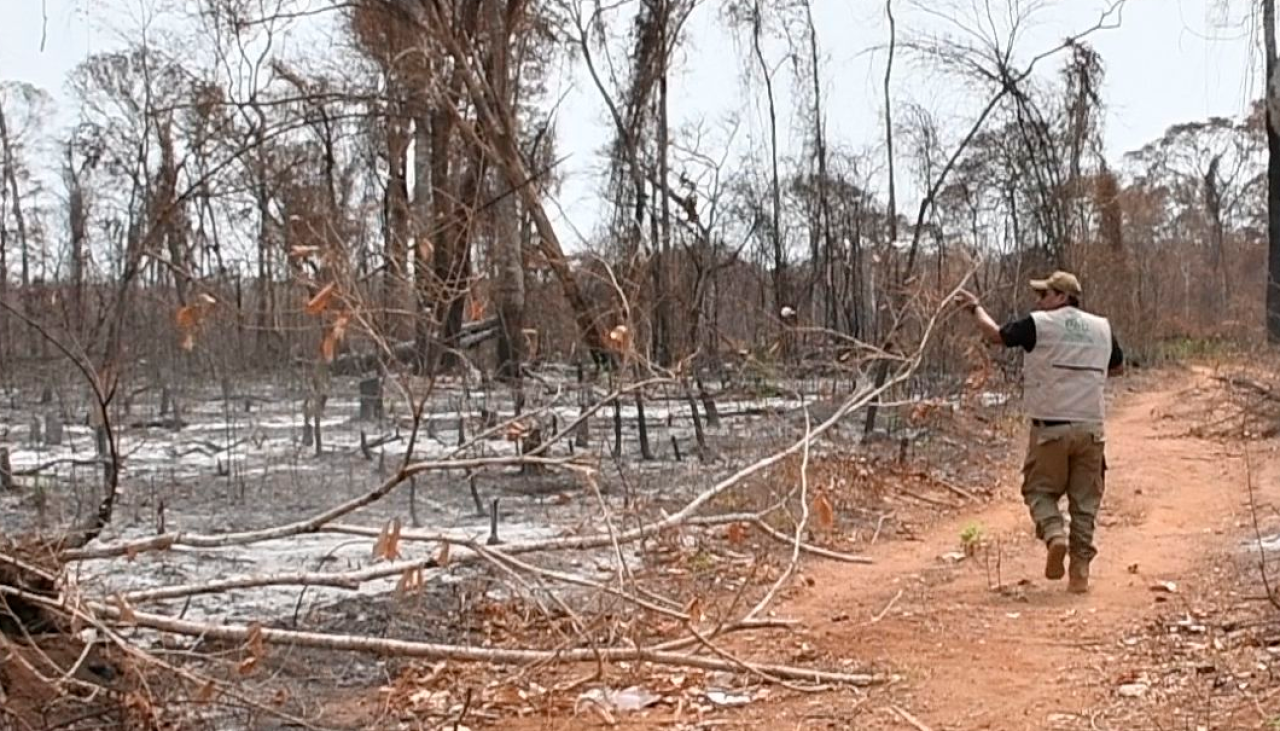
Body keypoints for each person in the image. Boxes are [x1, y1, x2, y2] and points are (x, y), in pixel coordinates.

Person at [955, 271, 1123, 594]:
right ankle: (1080, 574)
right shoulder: (1102, 328)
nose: (1039, 300)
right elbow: (1117, 366)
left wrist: (975, 308)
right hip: (1091, 430)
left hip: (1051, 429)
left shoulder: (1039, 324)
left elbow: (996, 335)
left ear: (1062, 297)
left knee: (1038, 492)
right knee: (1085, 504)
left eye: (1045, 294)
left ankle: (1054, 534)